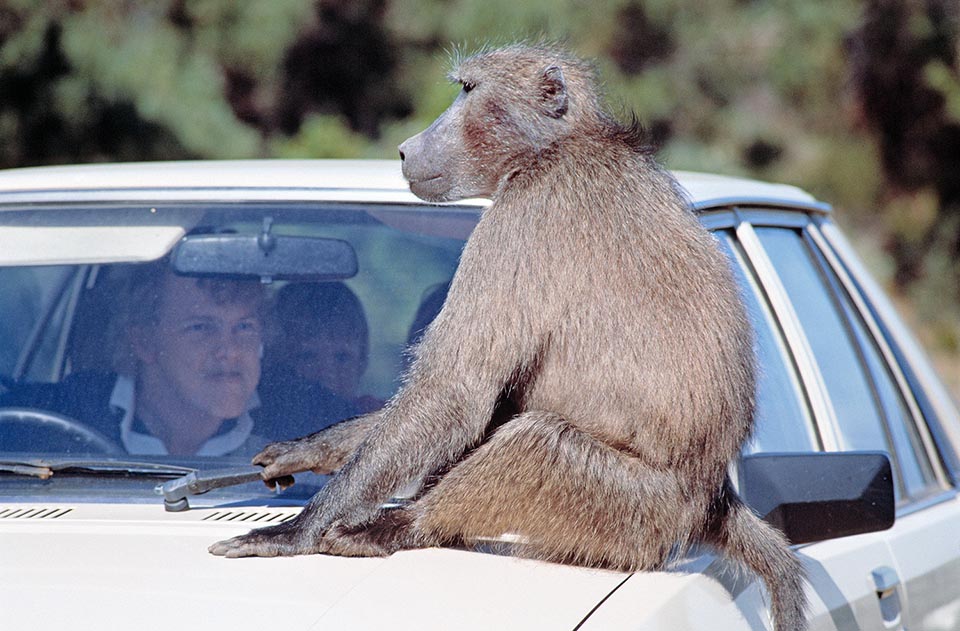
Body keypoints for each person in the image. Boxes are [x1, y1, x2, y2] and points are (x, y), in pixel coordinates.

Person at [1, 259, 270, 457]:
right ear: (144, 341)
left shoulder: (293, 425)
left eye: (245, 327)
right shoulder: (53, 415)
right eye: (201, 327)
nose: (230, 350)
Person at [263, 281, 382, 415]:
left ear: (361, 363)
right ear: (275, 362)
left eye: (342, 358)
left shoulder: (380, 421)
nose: (326, 375)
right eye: (307, 357)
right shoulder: (257, 424)